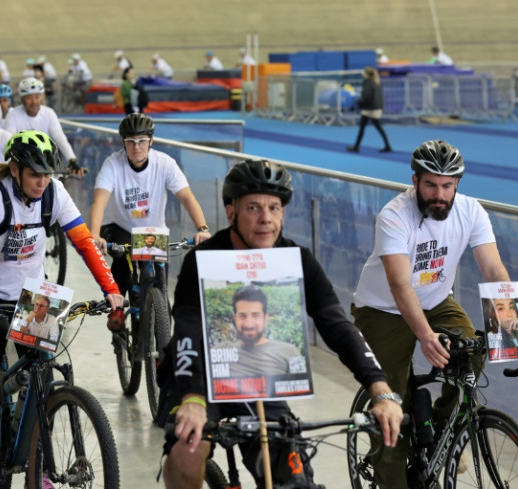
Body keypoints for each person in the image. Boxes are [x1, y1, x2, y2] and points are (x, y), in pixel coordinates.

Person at [159, 159, 403, 489]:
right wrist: (191, 397)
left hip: (260, 378)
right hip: (201, 375)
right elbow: (187, 327)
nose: (266, 219)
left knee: (294, 473)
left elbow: (337, 324)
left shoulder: (297, 260)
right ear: (231, 212)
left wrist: (380, 388)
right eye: (254, 208)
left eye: (275, 208)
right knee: (188, 451)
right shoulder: (201, 260)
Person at [351, 140, 511, 489]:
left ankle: (442, 427)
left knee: (474, 351)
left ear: (457, 184)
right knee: (390, 404)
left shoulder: (471, 211)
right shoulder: (394, 215)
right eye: (430, 185)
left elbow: (494, 269)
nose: (439, 194)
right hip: (382, 309)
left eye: (447, 186)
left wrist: (514, 327)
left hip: (436, 301)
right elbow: (398, 283)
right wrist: (424, 335)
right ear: (415, 181)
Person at [0, 130, 124, 442]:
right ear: (15, 170)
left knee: (42, 372)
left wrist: (110, 288)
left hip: (31, 288)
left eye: (46, 174)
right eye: (33, 175)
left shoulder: (54, 194)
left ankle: (37, 460)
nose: (41, 182)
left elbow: (83, 241)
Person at [90, 113, 212, 300]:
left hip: (153, 232)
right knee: (123, 263)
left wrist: (202, 229)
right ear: (123, 142)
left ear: (151, 141)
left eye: (142, 141)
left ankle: (159, 320)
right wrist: (95, 235)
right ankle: (116, 313)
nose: (136, 147)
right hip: (119, 227)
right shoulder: (113, 163)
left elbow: (187, 197)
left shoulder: (165, 163)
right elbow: (100, 200)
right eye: (131, 141)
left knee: (161, 289)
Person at [219, 286, 302, 377]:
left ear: (265, 318)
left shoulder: (290, 351)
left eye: (256, 315)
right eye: (242, 316)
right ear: (235, 319)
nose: (249, 325)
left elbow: (304, 385)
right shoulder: (221, 350)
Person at [2, 77, 80, 173]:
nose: (34, 102)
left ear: (42, 97)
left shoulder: (49, 113)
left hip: (45, 163)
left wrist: (71, 158)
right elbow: (8, 141)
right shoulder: (13, 115)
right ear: (22, 99)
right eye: (29, 98)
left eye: (37, 97)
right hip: (22, 164)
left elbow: (59, 136)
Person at [346, 66, 392, 153]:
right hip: (376, 108)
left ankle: (356, 147)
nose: (362, 73)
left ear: (367, 74)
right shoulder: (376, 83)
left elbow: (366, 98)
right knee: (378, 127)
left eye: (363, 72)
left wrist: (357, 101)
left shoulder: (368, 84)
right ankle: (387, 146)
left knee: (363, 128)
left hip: (369, 109)